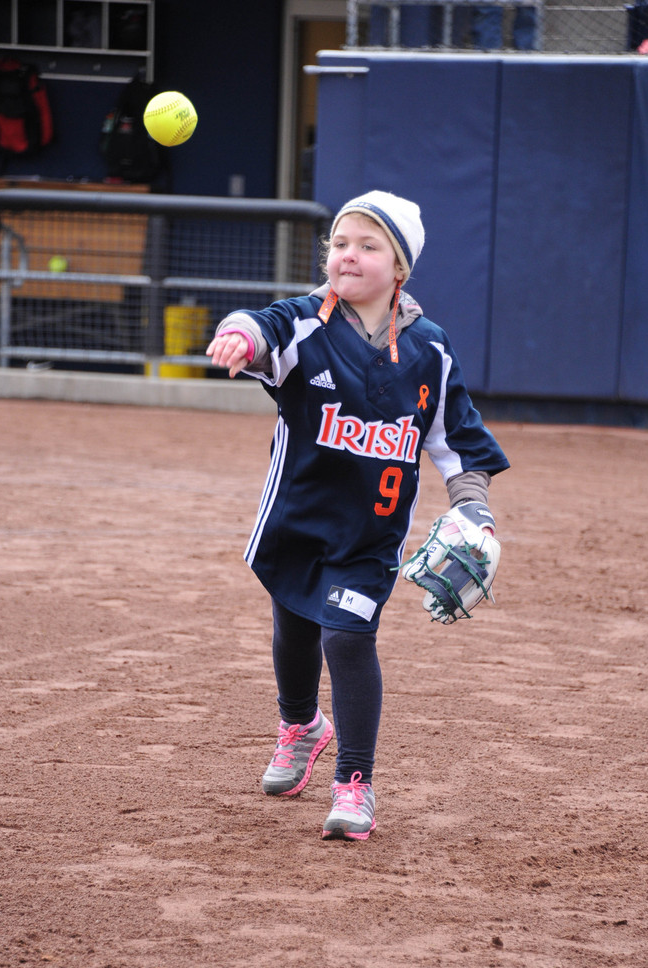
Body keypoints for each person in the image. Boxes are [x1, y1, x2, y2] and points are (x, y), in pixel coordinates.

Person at [206, 191, 510, 841]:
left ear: (399, 268)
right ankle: (300, 725)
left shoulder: (429, 350)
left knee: (344, 637)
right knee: (293, 625)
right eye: (339, 243)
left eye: (368, 246)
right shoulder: (307, 323)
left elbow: (459, 445)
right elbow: (263, 326)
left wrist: (474, 510)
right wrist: (239, 335)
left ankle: (354, 783)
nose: (348, 256)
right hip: (294, 520)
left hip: (368, 536)